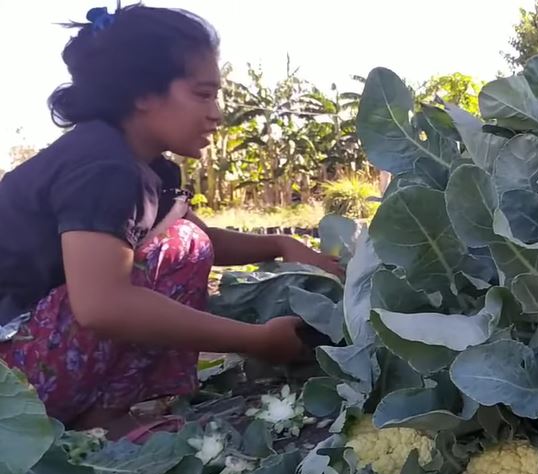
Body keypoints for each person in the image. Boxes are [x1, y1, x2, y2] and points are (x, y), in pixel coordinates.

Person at [0, 4, 344, 438]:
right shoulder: (101, 165)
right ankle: (92, 415)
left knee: (184, 238)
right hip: (9, 384)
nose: (216, 112)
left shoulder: (149, 169)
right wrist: (254, 340)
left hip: (34, 362)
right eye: (203, 94)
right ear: (142, 92)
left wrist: (281, 246)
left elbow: (205, 238)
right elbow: (101, 304)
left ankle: (98, 417)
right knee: (178, 243)